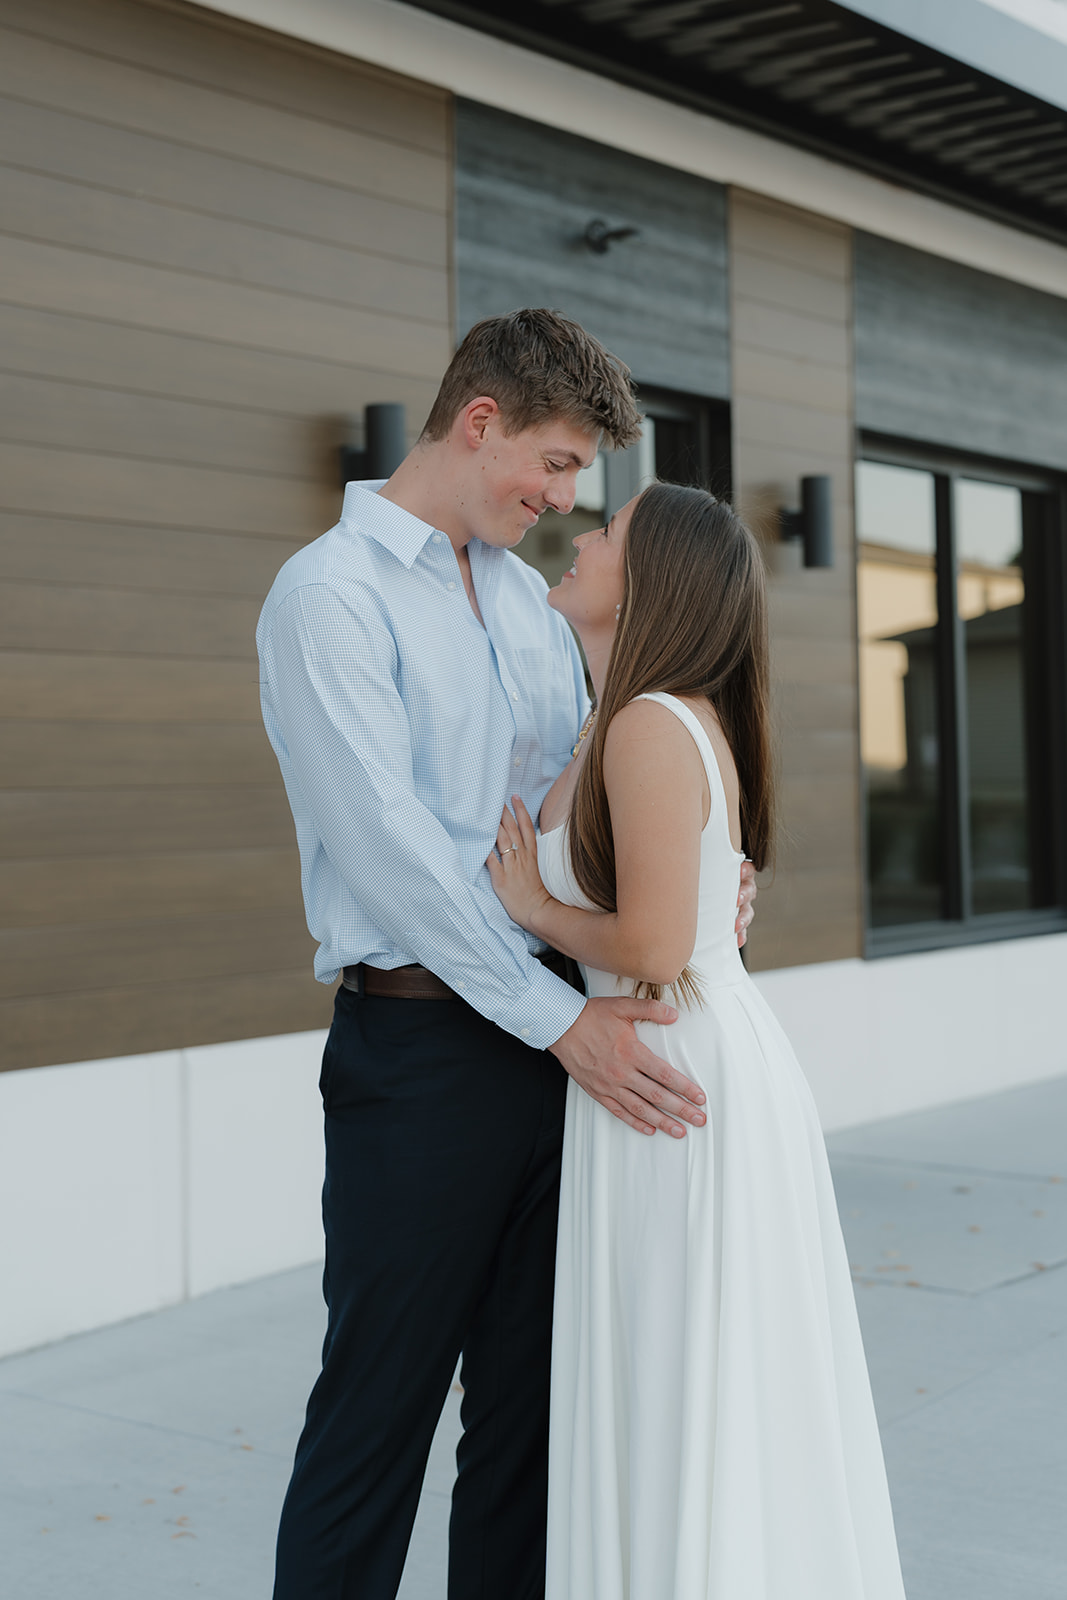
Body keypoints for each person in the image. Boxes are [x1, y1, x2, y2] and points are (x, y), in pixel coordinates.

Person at [256, 310, 757, 1600]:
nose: (562, 499)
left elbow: (570, 823)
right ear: (478, 422)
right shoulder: (329, 597)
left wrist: (699, 879)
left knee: (529, 1438)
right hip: (421, 1056)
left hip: (556, 1054)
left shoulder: (532, 613)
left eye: (575, 478)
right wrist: (558, 1025)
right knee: (374, 1428)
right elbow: (395, 859)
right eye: (554, 463)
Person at [488, 483, 907, 1600]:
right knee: (679, 1379)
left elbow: (657, 937)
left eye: (607, 532)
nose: (577, 537)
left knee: (679, 1378)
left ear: (653, 579)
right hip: (670, 1057)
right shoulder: (633, 716)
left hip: (670, 1069)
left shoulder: (645, 721)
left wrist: (532, 907)